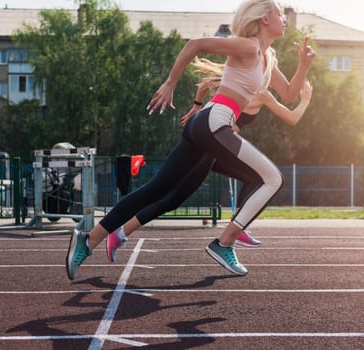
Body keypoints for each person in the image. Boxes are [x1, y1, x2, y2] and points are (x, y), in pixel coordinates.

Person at [66, 0, 315, 279]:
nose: (284, 18)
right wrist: (170, 83)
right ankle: (225, 242)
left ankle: (88, 241)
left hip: (207, 122)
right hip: (214, 121)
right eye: (279, 13)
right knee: (272, 178)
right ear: (264, 19)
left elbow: (291, 95)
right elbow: (195, 44)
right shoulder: (248, 46)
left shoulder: (267, 57)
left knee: (157, 189)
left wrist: (304, 65)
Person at [104, 72, 313, 263]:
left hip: (216, 150)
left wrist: (197, 106)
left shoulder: (237, 82)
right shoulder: (258, 92)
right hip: (208, 149)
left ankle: (238, 225)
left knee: (256, 178)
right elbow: (292, 118)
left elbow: (205, 85)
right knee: (170, 199)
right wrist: (306, 99)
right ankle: (119, 232)